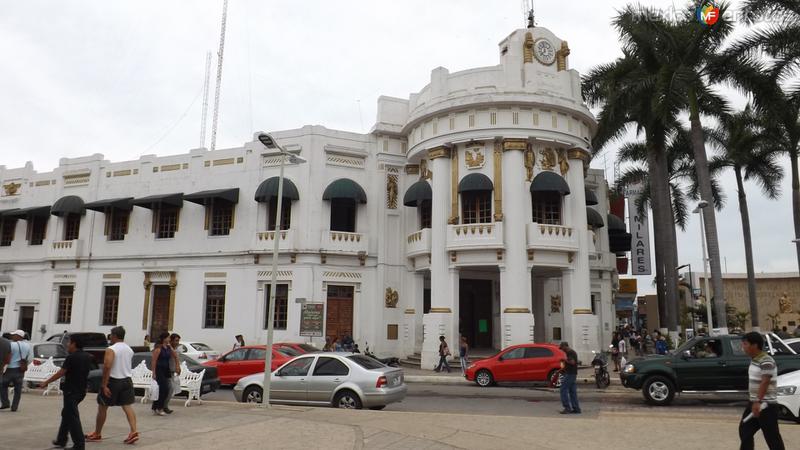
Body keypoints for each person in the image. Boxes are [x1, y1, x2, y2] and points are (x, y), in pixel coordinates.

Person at [85, 326, 139, 445]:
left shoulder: (111, 349)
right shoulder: (129, 349)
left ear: (114, 336)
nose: (110, 337)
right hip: (127, 380)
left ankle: (97, 433)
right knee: (127, 406)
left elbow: (107, 366)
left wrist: (104, 384)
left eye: (111, 335)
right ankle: (134, 431)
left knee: (102, 407)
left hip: (114, 381)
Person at [40, 335, 92, 450]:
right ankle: (61, 439)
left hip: (71, 391)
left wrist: (46, 382)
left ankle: (79, 444)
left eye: (69, 343)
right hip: (81, 391)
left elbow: (61, 372)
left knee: (72, 417)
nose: (67, 345)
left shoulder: (72, 357)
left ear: (74, 344)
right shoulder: (87, 356)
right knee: (67, 414)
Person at [739, 332, 785, 450]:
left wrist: (758, 401)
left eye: (745, 344)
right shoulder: (755, 359)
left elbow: (765, 381)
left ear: (754, 345)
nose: (742, 347)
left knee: (772, 437)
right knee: (745, 431)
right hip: (754, 403)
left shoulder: (766, 361)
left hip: (766, 405)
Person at [1, 330, 32, 412]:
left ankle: (5, 402)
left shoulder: (11, 344)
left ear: (18, 336)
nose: (12, 336)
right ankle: (14, 407)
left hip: (10, 369)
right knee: (18, 389)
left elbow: (6, 356)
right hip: (21, 370)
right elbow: (30, 358)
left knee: (3, 385)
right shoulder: (28, 346)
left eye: (14, 335)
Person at [150, 332, 180, 416]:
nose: (169, 339)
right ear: (164, 339)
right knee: (163, 389)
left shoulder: (168, 348)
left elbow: (175, 355)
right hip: (159, 370)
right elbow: (154, 361)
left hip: (166, 370)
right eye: (168, 338)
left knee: (165, 389)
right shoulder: (158, 348)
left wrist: (177, 365)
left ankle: (156, 407)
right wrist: (154, 372)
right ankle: (159, 408)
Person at [162, 333, 182, 414]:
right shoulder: (168, 349)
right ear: (171, 341)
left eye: (178, 341)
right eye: (176, 340)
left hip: (172, 372)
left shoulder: (176, 350)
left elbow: (177, 360)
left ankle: (165, 406)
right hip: (166, 372)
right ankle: (163, 406)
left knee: (171, 390)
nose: (177, 342)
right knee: (169, 389)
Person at [558, 341, 580, 414]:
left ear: (565, 346)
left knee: (563, 389)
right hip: (572, 373)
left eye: (562, 348)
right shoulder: (570, 352)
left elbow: (572, 362)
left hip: (570, 374)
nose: (562, 350)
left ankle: (567, 408)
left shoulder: (570, 353)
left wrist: (564, 360)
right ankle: (576, 408)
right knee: (572, 392)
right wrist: (563, 369)